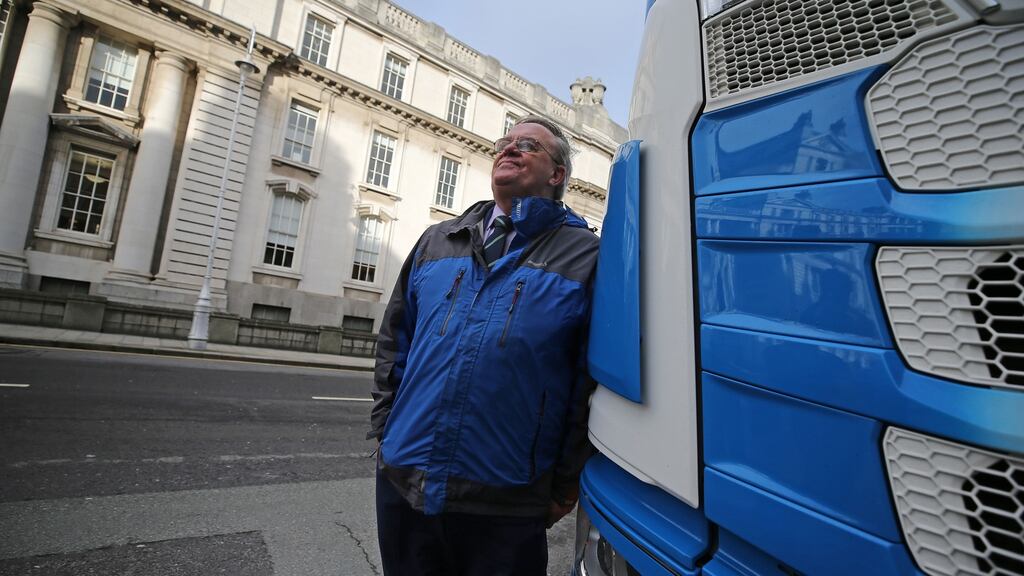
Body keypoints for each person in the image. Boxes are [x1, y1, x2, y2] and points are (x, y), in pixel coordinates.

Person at [368, 115, 599, 576]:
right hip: (404, 476)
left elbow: (586, 382)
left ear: (557, 175)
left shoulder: (586, 256)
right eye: (505, 142)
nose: (510, 149)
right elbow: (396, 338)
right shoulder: (439, 239)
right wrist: (386, 431)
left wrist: (565, 483)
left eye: (528, 145)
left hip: (506, 496)